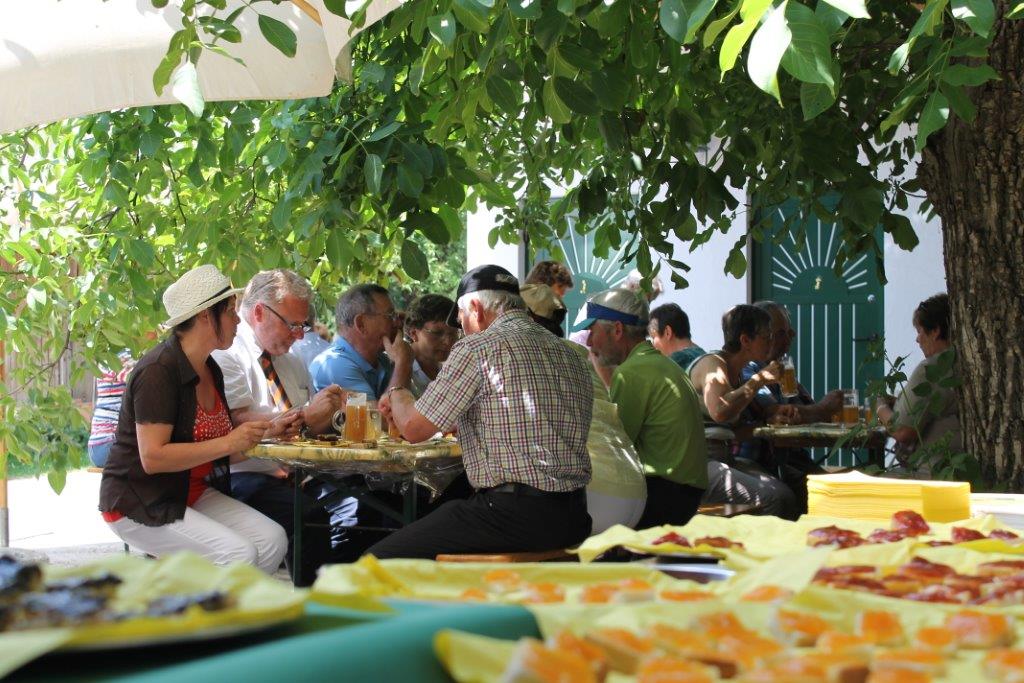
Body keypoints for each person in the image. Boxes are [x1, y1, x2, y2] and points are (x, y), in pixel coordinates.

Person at [370, 265, 594, 559]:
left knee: (374, 563)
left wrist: (397, 390)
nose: (459, 333)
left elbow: (413, 429)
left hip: (513, 515)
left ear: (475, 308)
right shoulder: (571, 354)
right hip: (575, 514)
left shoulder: (478, 347)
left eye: (460, 322)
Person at [98, 264, 287, 572]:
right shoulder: (158, 370)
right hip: (140, 501)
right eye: (230, 311)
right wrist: (229, 441)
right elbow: (153, 458)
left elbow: (223, 453)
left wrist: (268, 432)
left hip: (187, 491)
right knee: (238, 553)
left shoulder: (210, 368)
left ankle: (233, 616)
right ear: (204, 315)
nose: (237, 320)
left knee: (273, 539)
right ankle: (206, 614)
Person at [210, 269, 357, 579]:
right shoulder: (228, 355)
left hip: (296, 472)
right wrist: (306, 413)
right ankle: (314, 610)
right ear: (260, 313)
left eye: (303, 325)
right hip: (242, 473)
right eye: (293, 325)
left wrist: (335, 413)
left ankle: (349, 595)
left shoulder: (291, 360)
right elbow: (237, 422)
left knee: (363, 500)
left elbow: (310, 424)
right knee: (309, 514)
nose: (300, 335)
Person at [523, 283, 647, 532]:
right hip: (636, 489)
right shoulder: (577, 354)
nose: (589, 340)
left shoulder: (528, 354)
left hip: (594, 495)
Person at [580, 288, 708, 528]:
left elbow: (614, 454)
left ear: (617, 330)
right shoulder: (659, 363)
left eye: (592, 331)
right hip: (684, 493)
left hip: (664, 494)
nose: (588, 342)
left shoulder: (632, 372)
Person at [688, 305, 799, 519]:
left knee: (786, 492)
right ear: (745, 340)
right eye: (766, 337)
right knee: (776, 499)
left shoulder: (737, 372)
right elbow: (720, 411)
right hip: (699, 463)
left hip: (725, 456)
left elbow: (733, 432)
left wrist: (771, 423)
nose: (771, 342)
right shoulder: (713, 364)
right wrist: (760, 380)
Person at [737, 301, 843, 512]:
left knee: (837, 490)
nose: (791, 337)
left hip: (790, 457)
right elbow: (779, 412)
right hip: (763, 460)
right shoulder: (750, 371)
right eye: (781, 333)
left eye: (790, 331)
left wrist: (822, 410)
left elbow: (804, 408)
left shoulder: (783, 368)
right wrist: (823, 408)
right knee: (819, 494)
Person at [876, 293, 961, 458]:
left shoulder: (931, 370)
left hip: (930, 470)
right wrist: (899, 402)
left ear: (935, 331)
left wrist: (879, 407)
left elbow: (903, 431)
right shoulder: (962, 363)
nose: (917, 339)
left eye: (920, 331)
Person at [309, 284, 406, 399]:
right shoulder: (335, 365)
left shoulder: (383, 361)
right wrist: (403, 364)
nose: (399, 323)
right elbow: (375, 416)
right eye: (390, 316)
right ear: (361, 324)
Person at [403, 293, 460, 397]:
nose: (447, 342)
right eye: (437, 333)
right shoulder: (397, 371)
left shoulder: (449, 372)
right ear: (413, 333)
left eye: (453, 333)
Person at [87, 351, 135, 468]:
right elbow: (135, 376)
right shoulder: (114, 358)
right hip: (107, 444)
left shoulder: (106, 357)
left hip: (100, 446)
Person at [648, 303, 706, 372]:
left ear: (667, 332)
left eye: (653, 337)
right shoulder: (705, 356)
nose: (652, 345)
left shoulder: (675, 362)